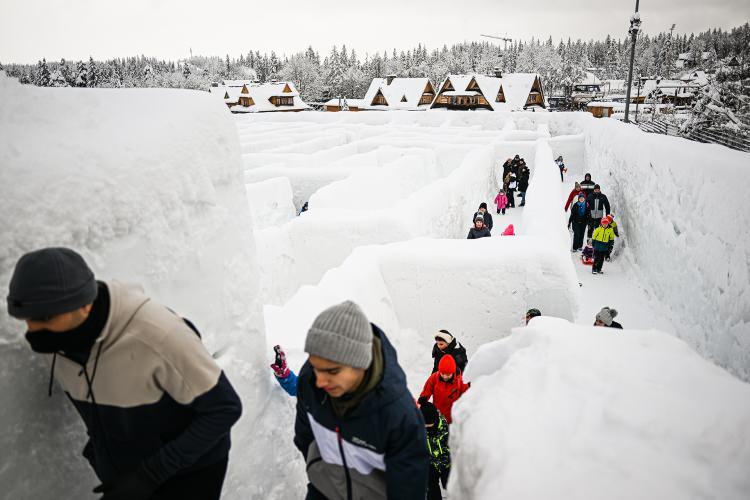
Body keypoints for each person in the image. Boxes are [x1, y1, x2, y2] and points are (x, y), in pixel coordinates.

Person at [6, 247, 243, 500]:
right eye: (26, 318)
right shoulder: (53, 345)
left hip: (190, 471)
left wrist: (148, 476)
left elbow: (225, 408)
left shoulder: (159, 335)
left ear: (84, 306)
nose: (33, 328)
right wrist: (100, 450)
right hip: (127, 474)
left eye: (45, 317)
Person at [294, 301, 428, 499]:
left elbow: (408, 488)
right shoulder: (309, 382)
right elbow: (304, 436)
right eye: (315, 367)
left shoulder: (399, 416)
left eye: (332, 371)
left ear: (360, 363)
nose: (320, 381)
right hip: (323, 491)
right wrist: (321, 473)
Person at [418, 355, 469, 425]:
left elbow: (467, 395)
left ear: (453, 372)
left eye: (448, 374)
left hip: (451, 417)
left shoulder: (460, 382)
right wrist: (423, 398)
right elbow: (427, 389)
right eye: (442, 373)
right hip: (437, 414)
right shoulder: (434, 378)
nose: (445, 377)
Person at [420, 402, 451, 500]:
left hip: (446, 462)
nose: (427, 427)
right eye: (425, 425)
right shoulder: (420, 430)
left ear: (435, 419)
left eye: (429, 424)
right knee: (431, 486)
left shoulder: (445, 428)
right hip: (431, 463)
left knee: (449, 484)